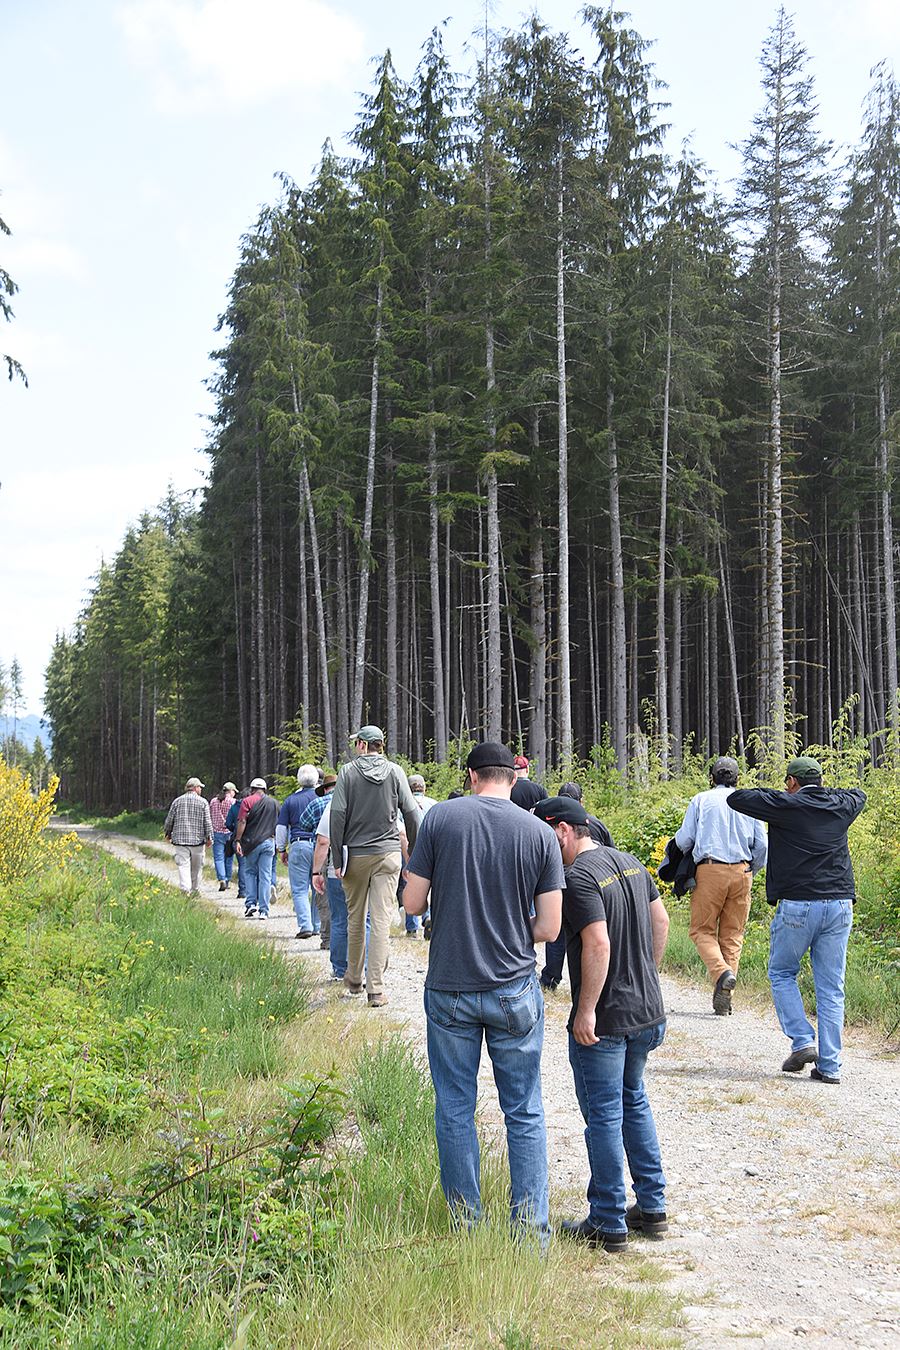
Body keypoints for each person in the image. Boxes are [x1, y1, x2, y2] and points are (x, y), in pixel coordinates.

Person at [403, 742, 564, 1242]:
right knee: (524, 1109)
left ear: (471, 776)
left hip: (450, 985)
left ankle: (467, 1229)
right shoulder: (539, 833)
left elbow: (412, 904)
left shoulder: (441, 821)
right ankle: (531, 1232)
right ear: (513, 779)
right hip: (514, 986)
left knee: (454, 1106)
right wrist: (514, 926)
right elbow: (550, 928)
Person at [534, 795, 669, 1254]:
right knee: (634, 1101)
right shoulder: (629, 861)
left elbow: (597, 944)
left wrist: (586, 1008)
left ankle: (608, 1221)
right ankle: (652, 1207)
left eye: (545, 835)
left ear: (564, 832)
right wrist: (646, 974)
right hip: (648, 1011)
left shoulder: (577, 879)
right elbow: (661, 919)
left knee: (605, 1115)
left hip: (607, 1018)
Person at [728, 756, 866, 1084]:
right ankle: (830, 1066)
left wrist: (785, 797)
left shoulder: (784, 805)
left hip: (799, 906)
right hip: (839, 905)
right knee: (832, 988)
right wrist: (822, 793)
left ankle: (803, 1040)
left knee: (781, 972)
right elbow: (859, 793)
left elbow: (737, 798)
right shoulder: (841, 806)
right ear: (819, 780)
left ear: (791, 783)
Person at [329, 725, 420, 1007]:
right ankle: (376, 990)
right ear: (380, 745)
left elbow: (337, 815)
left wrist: (337, 857)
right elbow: (413, 813)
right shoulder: (395, 772)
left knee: (356, 918)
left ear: (362, 746)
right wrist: (413, 853)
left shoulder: (347, 772)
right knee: (381, 920)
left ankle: (354, 979)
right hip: (388, 854)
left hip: (356, 854)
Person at [674, 756, 768, 1015]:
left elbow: (685, 840)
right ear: (738, 779)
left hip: (710, 870)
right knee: (733, 936)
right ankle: (726, 994)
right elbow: (762, 845)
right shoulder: (749, 802)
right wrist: (752, 869)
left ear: (711, 777)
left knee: (701, 930)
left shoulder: (701, 800)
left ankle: (721, 973)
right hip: (742, 871)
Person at [541, 783, 615, 990]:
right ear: (581, 801)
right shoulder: (596, 824)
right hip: (597, 886)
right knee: (595, 936)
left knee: (557, 934)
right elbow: (610, 851)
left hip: (563, 882)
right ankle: (599, 978)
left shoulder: (554, 825)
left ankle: (551, 979)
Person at [313, 773, 368, 981]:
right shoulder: (368, 803)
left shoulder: (334, 805)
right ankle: (364, 970)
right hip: (365, 867)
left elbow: (323, 841)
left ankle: (339, 969)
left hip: (338, 869)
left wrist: (316, 871)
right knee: (365, 920)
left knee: (339, 920)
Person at [275, 764, 321, 939]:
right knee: (318, 887)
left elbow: (281, 828)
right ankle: (317, 925)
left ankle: (305, 925)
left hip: (299, 844)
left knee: (299, 888)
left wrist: (281, 849)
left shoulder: (291, 800)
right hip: (320, 845)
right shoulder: (323, 797)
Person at [235, 777, 278, 920]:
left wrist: (238, 840)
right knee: (265, 876)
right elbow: (279, 823)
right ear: (265, 789)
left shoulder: (247, 801)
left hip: (252, 843)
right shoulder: (273, 803)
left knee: (250, 872)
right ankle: (264, 911)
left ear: (252, 789)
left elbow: (242, 821)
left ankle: (251, 904)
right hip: (269, 842)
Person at [164, 776, 213, 895]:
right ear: (195, 788)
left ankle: (185, 889)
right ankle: (195, 889)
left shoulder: (177, 801)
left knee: (183, 865)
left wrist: (168, 833)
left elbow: (170, 819)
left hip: (180, 840)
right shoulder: (203, 802)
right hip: (197, 841)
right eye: (200, 787)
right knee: (197, 867)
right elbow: (207, 822)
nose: (201, 789)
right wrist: (209, 837)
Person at [403, 774, 438, 936]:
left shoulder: (404, 806)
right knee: (433, 887)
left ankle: (412, 927)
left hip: (412, 850)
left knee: (410, 885)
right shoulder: (435, 805)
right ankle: (429, 917)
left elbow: (401, 833)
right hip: (433, 851)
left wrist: (407, 857)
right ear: (424, 788)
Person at [209, 782, 237, 891]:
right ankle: (228, 880)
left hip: (216, 832)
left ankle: (221, 879)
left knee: (218, 858)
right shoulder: (233, 802)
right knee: (229, 857)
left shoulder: (213, 801)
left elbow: (210, 815)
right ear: (231, 791)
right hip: (229, 832)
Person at [225, 789, 248, 900]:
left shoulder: (234, 807)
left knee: (242, 865)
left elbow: (228, 823)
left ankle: (242, 891)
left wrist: (234, 829)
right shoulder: (252, 807)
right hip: (251, 838)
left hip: (238, 838)